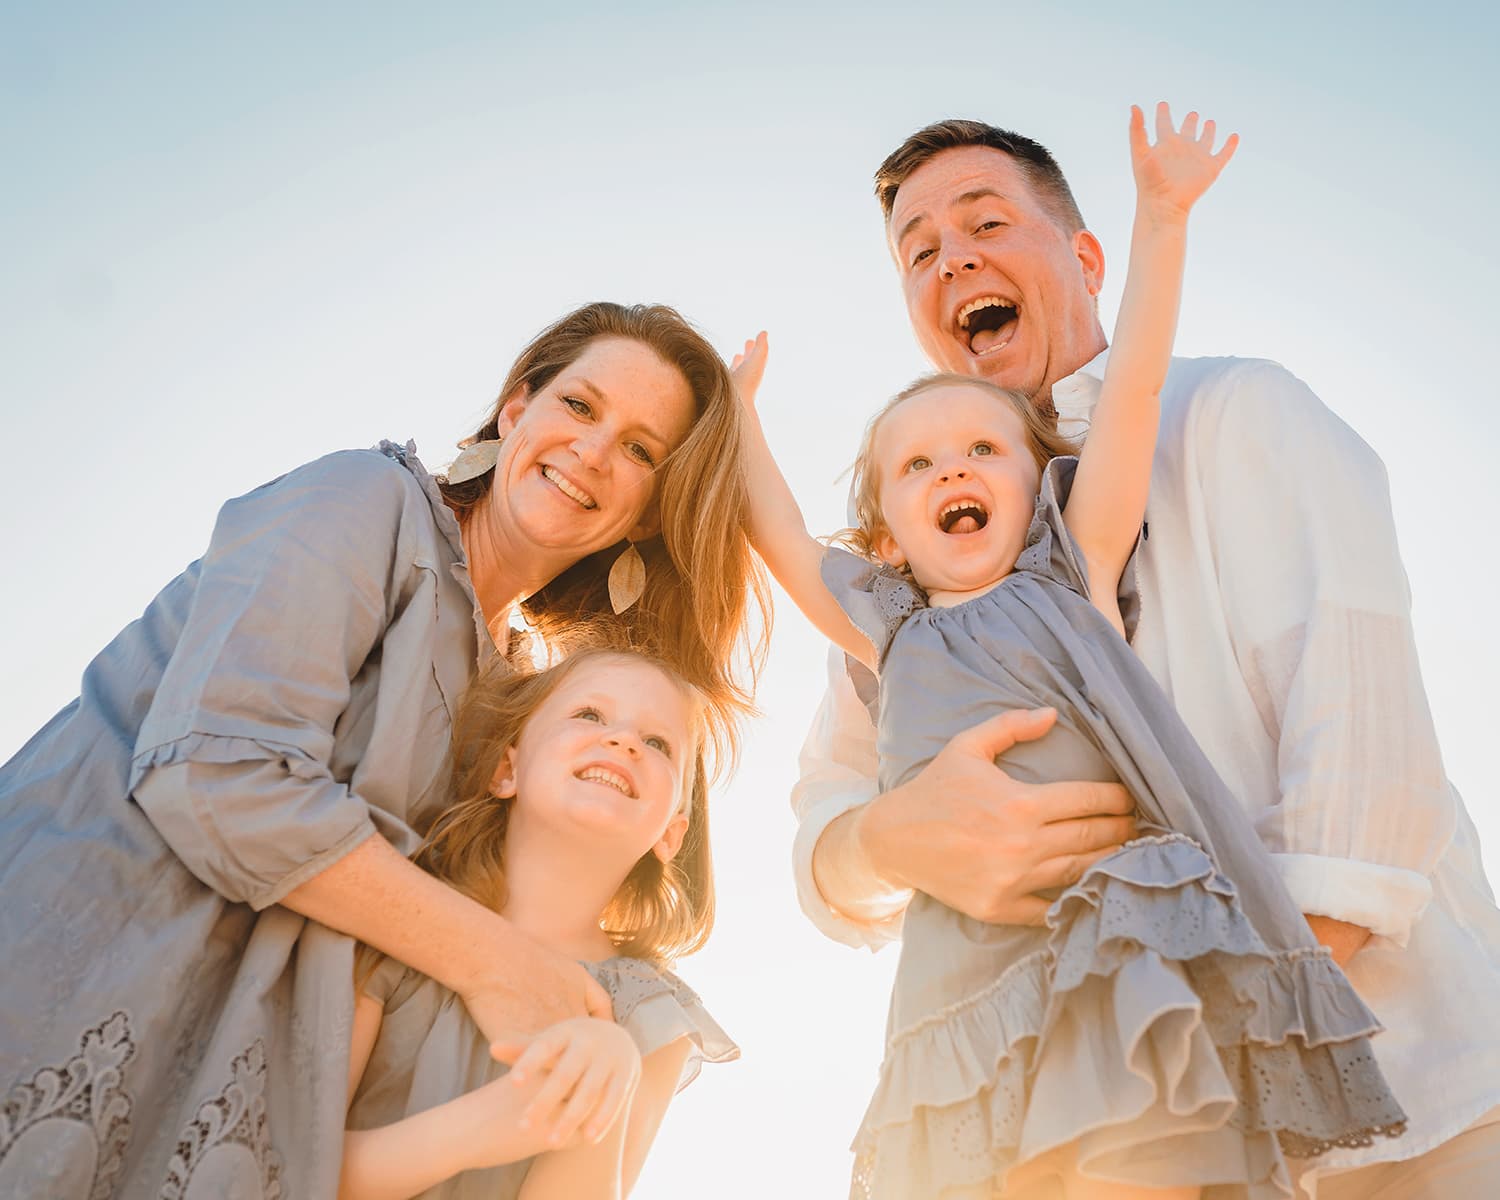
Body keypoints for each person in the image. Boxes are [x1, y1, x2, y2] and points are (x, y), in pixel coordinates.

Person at [790, 113, 1500, 1196]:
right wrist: (890, 838)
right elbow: (826, 828)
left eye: (986, 221)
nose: (955, 257)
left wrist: (1205, 1067)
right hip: (1113, 1135)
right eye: (919, 251)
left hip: (1405, 1116)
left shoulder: (1235, 414)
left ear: (1084, 259)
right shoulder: (920, 570)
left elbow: (1363, 772)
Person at [0, 301, 766, 1198]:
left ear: (647, 515)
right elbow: (216, 772)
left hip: (219, 1087)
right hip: (72, 971)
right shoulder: (366, 501)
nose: (596, 454)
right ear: (515, 411)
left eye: (642, 451)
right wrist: (496, 965)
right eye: (580, 407)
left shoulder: (506, 690)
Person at [340, 645, 737, 1200]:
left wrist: (608, 1078)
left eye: (657, 743)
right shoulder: (403, 920)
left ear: (670, 835)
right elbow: (295, 1167)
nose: (623, 741)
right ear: (508, 769)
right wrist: (490, 1125)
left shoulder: (651, 1018)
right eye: (589, 715)